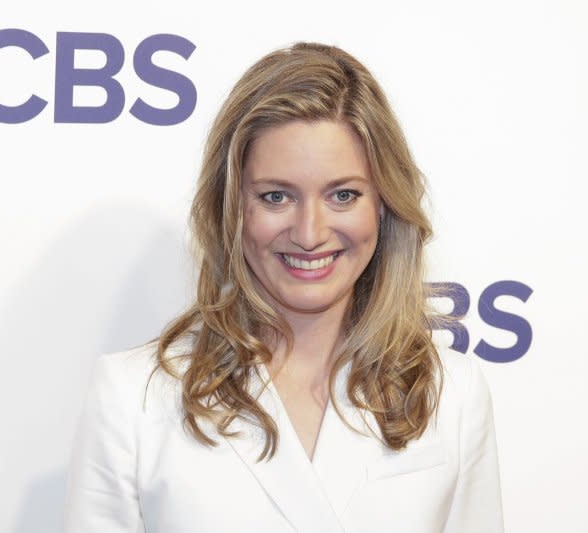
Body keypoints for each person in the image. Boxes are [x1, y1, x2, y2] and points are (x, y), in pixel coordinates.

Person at [64, 42, 504, 533]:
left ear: (383, 204)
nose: (310, 232)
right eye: (276, 196)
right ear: (232, 207)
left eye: (343, 195)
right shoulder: (133, 397)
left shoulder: (452, 393)